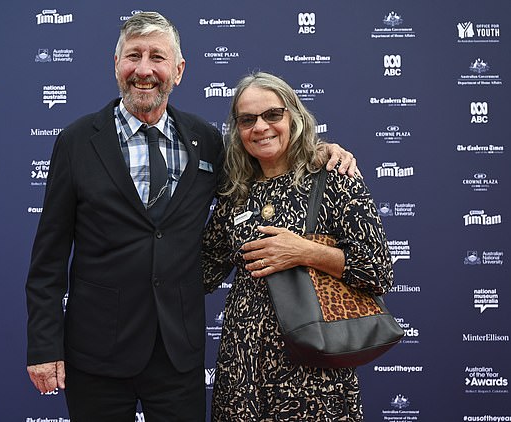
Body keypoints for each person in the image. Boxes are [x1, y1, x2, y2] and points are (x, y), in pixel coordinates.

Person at [25, 13, 357, 421]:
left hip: (177, 354)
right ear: (116, 65)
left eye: (157, 58)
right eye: (133, 56)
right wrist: (44, 346)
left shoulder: (206, 141)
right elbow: (48, 259)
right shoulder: (76, 141)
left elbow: (264, 169)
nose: (144, 69)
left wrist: (319, 151)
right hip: (97, 352)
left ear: (178, 71)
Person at [202, 71, 394, 421]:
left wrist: (304, 251)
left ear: (294, 116)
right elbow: (203, 269)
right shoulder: (235, 193)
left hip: (313, 373)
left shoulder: (334, 175)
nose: (260, 127)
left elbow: (378, 269)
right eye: (247, 119)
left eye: (272, 115)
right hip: (242, 371)